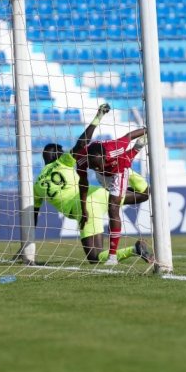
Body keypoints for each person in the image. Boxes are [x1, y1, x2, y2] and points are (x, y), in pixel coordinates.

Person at [31, 103, 153, 265]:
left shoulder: (37, 185)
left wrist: (28, 241)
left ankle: (134, 250)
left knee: (94, 258)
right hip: (99, 193)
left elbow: (34, 214)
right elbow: (82, 144)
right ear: (58, 155)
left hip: (84, 208)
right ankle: (128, 169)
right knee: (143, 195)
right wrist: (98, 117)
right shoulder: (62, 162)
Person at [76, 121, 150, 266]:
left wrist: (149, 129)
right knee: (114, 197)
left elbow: (129, 135)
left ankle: (112, 256)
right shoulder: (82, 160)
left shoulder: (116, 148)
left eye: (99, 163)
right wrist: (83, 208)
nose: (98, 166)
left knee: (113, 208)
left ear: (105, 157)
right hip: (103, 178)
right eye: (94, 165)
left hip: (118, 171)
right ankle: (137, 148)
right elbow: (83, 184)